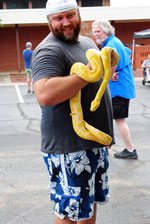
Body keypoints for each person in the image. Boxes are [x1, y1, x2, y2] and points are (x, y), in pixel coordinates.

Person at [31, 1, 116, 223]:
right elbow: (44, 94)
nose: (66, 23)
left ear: (78, 15)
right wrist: (84, 74)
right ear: (49, 21)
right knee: (68, 212)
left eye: (70, 15)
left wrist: (110, 65)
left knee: (89, 206)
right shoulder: (49, 50)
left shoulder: (87, 42)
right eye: (58, 18)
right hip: (68, 148)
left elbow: (97, 81)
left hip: (93, 143)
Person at [92, 20, 138, 160]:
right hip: (122, 87)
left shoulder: (111, 45)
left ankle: (130, 149)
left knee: (119, 120)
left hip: (119, 89)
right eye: (94, 32)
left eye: (98, 31)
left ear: (106, 31)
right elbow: (127, 52)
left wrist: (111, 75)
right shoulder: (114, 42)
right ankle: (108, 146)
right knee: (110, 118)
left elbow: (113, 61)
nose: (96, 34)